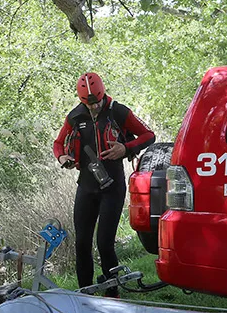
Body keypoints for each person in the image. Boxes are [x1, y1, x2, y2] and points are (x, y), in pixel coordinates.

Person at [52, 71, 155, 295]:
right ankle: (85, 295)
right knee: (82, 243)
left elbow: (149, 135)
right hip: (86, 186)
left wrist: (125, 148)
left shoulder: (118, 111)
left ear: (103, 94)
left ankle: (112, 295)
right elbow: (58, 143)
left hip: (113, 186)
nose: (94, 107)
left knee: (104, 242)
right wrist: (62, 157)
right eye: (88, 104)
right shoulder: (75, 116)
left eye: (97, 102)